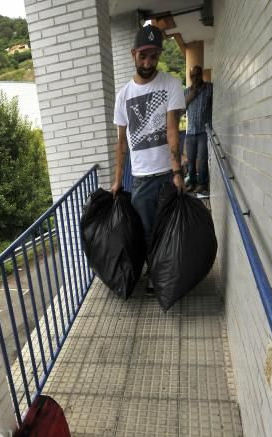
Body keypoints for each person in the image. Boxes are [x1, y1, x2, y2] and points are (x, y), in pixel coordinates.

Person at [111, 24, 185, 291]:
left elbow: (173, 131)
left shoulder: (171, 84)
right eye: (143, 56)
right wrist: (118, 180)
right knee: (145, 231)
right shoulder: (123, 96)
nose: (148, 62)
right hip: (140, 179)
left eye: (153, 56)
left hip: (166, 173)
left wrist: (177, 173)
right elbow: (121, 143)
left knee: (166, 229)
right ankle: (153, 273)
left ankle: (164, 275)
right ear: (133, 54)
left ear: (159, 56)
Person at [184, 65, 213, 195]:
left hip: (203, 131)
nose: (194, 78)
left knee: (202, 159)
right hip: (190, 132)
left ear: (201, 74)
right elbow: (180, 110)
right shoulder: (186, 92)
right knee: (190, 160)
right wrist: (190, 96)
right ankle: (192, 183)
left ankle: (202, 184)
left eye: (197, 75)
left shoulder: (209, 88)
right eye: (192, 76)